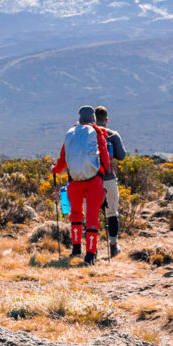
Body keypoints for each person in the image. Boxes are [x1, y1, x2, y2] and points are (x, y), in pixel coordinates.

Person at [51, 106, 112, 265]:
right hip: (94, 181)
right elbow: (104, 155)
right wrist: (104, 171)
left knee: (76, 215)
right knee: (92, 216)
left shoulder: (71, 133)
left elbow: (63, 159)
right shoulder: (97, 132)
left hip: (74, 181)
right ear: (92, 118)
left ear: (79, 118)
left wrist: (55, 170)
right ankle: (90, 254)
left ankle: (76, 248)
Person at [95, 105, 127, 257]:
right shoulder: (112, 135)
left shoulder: (86, 134)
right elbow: (122, 155)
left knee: (90, 215)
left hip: (89, 179)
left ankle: (91, 248)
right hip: (108, 178)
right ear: (106, 119)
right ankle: (113, 245)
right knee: (112, 212)